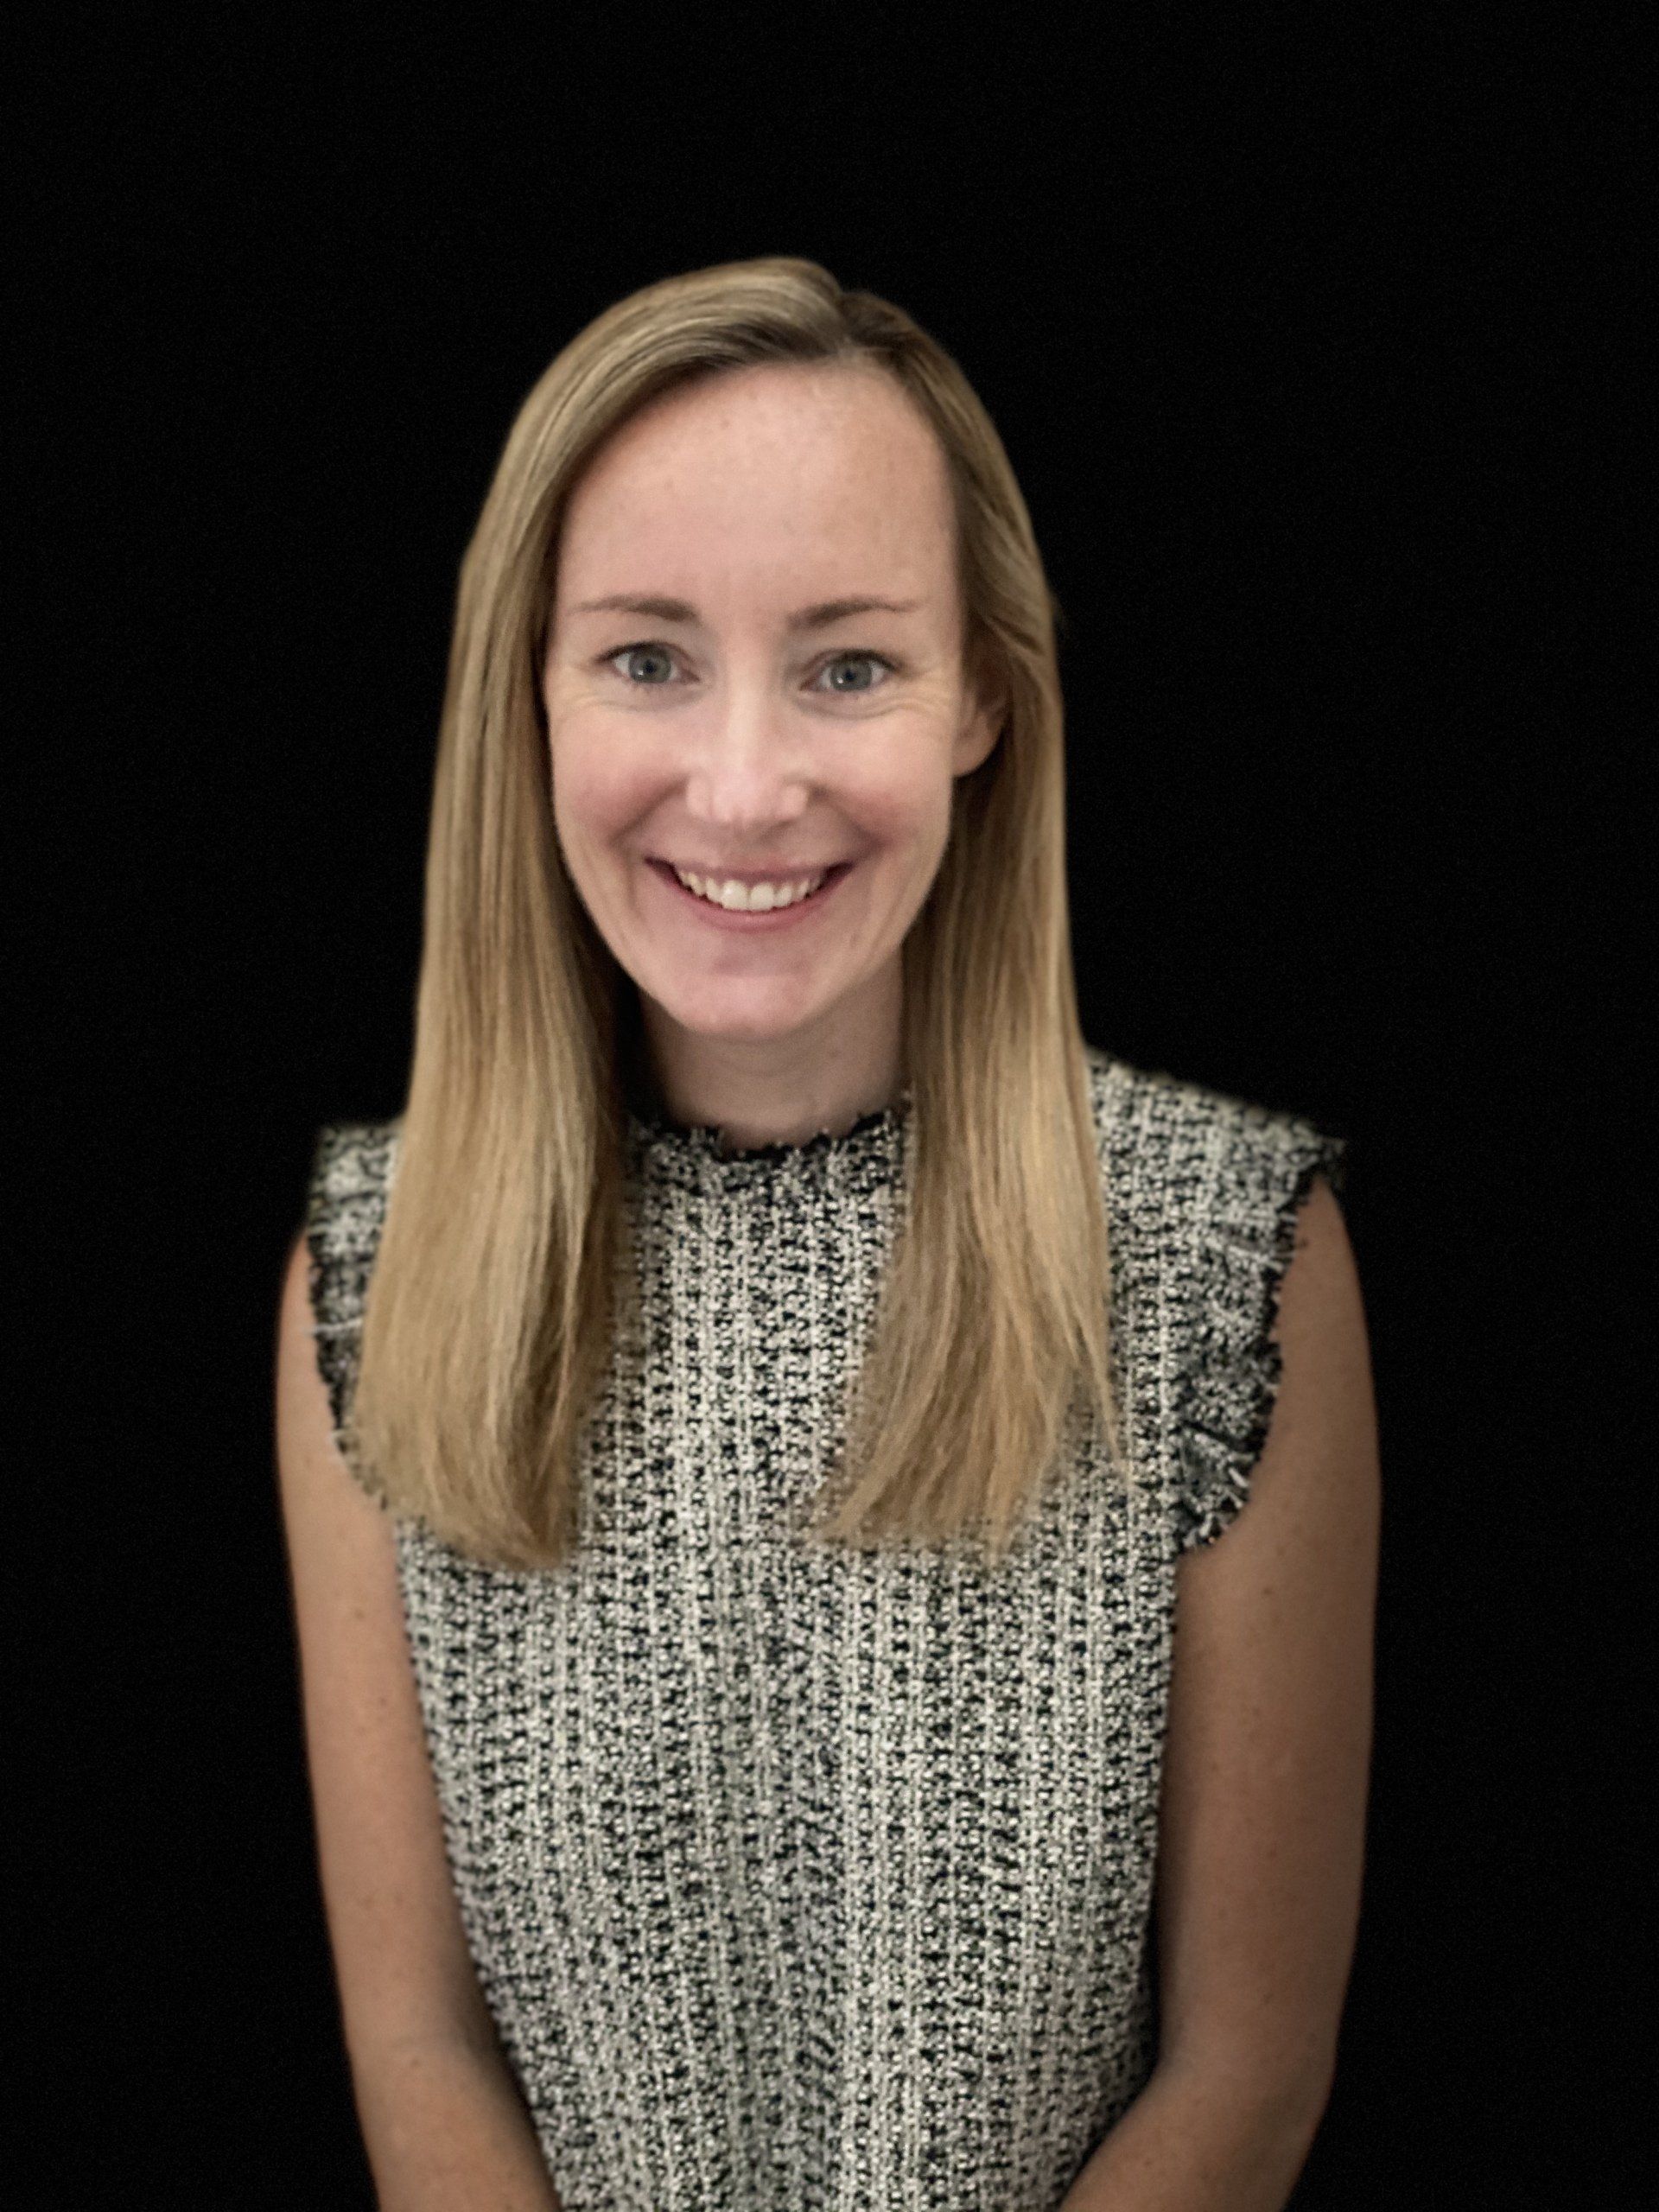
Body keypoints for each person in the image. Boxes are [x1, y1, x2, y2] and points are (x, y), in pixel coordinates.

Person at [275, 256, 1380, 2212]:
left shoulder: (1223, 1253)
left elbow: (1244, 2075)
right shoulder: (377, 1268)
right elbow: (417, 2048)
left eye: (850, 662)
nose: (746, 782)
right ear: (524, 694)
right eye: (646, 656)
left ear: (983, 703)